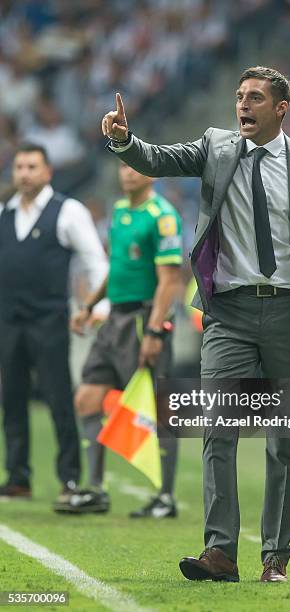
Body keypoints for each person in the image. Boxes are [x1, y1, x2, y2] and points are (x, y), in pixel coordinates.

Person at [101, 66, 290, 582]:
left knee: (283, 439)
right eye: (240, 96)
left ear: (281, 108)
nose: (243, 105)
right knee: (218, 428)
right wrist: (125, 140)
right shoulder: (215, 147)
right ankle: (219, 551)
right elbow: (157, 159)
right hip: (229, 313)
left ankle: (275, 557)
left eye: (255, 98)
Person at [57, 163, 182, 517]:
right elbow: (117, 266)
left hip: (144, 319)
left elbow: (169, 280)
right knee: (87, 398)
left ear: (152, 174)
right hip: (115, 318)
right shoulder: (120, 210)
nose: (128, 173)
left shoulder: (163, 217)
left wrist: (156, 331)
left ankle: (166, 496)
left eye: (137, 167)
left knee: (159, 412)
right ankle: (96, 489)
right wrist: (91, 304)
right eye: (124, 166)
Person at [0, 143, 107, 508]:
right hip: (8, 321)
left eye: (32, 166)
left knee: (58, 397)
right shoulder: (4, 211)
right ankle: (17, 477)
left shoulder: (68, 211)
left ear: (47, 172)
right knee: (12, 399)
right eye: (19, 166)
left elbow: (94, 259)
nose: (24, 173)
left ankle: (70, 478)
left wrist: (100, 304)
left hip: (48, 320)